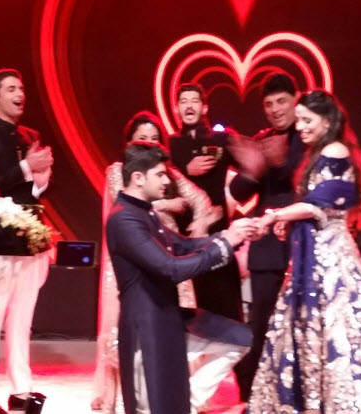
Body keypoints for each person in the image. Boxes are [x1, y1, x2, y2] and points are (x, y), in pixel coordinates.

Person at [248, 90, 361, 413]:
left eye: (306, 120)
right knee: (314, 324)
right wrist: (289, 221)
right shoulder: (319, 153)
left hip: (331, 260)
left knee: (339, 325)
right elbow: (313, 207)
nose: (299, 126)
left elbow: (322, 203)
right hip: (315, 255)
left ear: (327, 121)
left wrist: (275, 216)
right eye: (298, 120)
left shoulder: (334, 150)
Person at [106, 141, 257, 414]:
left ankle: (190, 402)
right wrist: (225, 244)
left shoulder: (143, 212)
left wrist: (227, 236)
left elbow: (182, 245)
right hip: (146, 328)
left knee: (240, 337)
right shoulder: (124, 219)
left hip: (168, 319)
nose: (167, 181)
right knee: (149, 407)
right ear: (138, 178)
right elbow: (170, 268)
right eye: (160, 174)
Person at [92, 111, 221, 414]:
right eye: (142, 139)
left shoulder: (168, 174)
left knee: (176, 324)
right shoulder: (119, 171)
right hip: (133, 253)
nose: (149, 144)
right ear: (130, 144)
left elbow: (200, 199)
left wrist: (201, 223)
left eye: (154, 139)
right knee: (125, 329)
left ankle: (177, 396)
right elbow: (126, 198)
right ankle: (118, 398)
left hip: (168, 249)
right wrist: (169, 203)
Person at [0, 68, 53, 414]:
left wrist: (41, 179)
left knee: (22, 319)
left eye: (21, 88)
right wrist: (25, 167)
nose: (20, 95)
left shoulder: (31, 135)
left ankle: (21, 390)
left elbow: (33, 193)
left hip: (30, 239)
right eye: (11, 89)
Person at [228, 73, 305, 401]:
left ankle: (300, 393)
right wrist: (253, 168)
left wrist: (282, 163)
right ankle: (254, 395)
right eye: (269, 104)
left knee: (302, 323)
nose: (275, 109)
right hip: (268, 250)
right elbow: (238, 191)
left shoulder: (310, 135)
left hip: (303, 243)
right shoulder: (263, 140)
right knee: (262, 325)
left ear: (295, 100)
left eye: (281, 101)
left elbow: (308, 183)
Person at [168, 83, 246, 388]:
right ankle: (188, 388)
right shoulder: (170, 145)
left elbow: (249, 173)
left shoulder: (220, 139)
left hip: (219, 239)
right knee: (190, 313)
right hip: (182, 242)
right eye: (183, 101)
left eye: (194, 101)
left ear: (204, 108)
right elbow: (160, 184)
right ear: (176, 108)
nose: (188, 106)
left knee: (229, 311)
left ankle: (246, 388)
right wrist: (183, 170)